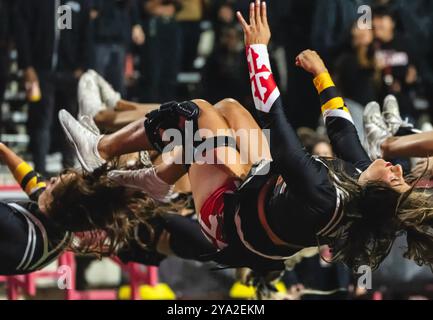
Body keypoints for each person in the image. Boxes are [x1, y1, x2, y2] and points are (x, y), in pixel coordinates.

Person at [59, 1, 433, 277]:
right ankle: (151, 173)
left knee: (195, 115)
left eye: (396, 179)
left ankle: (100, 150)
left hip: (226, 216)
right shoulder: (361, 179)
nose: (396, 171)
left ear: (380, 193)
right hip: (259, 194)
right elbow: (342, 130)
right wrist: (322, 75)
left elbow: (276, 119)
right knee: (231, 109)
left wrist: (257, 50)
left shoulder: (326, 195)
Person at [14, 0, 92, 175]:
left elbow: (86, 31)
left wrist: (82, 66)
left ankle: (69, 171)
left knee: (70, 124)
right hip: (40, 70)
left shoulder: (79, 3)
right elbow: (22, 29)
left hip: (70, 72)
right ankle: (39, 170)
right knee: (40, 122)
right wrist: (26, 65)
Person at [90, 0, 145, 96]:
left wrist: (136, 24)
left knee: (118, 87)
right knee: (98, 84)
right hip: (99, 38)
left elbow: (132, 5)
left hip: (120, 38)